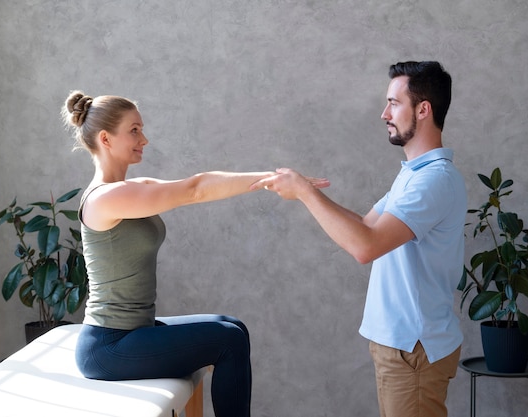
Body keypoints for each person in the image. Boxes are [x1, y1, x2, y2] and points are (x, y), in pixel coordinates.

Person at [61, 90, 328, 417]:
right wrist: (277, 181)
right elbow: (196, 188)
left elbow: (197, 184)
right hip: (108, 346)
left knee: (233, 326)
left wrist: (272, 179)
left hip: (134, 332)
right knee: (228, 340)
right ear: (106, 138)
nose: (144, 139)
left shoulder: (130, 189)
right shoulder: (107, 199)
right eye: (134, 130)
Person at [252, 61, 467, 417]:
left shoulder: (434, 181)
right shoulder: (414, 175)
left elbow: (366, 247)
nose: (385, 113)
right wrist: (305, 193)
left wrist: (306, 193)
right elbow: (367, 226)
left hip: (413, 348)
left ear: (423, 109)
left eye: (394, 103)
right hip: (400, 346)